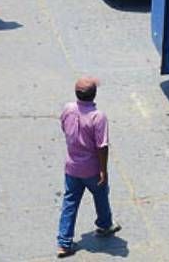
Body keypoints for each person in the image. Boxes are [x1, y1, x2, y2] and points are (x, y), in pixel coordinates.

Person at [56, 76, 120, 258]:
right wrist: (103, 169)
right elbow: (102, 146)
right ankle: (105, 224)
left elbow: (63, 128)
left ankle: (64, 243)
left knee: (70, 203)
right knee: (101, 195)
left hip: (72, 167)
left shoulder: (68, 109)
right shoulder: (98, 117)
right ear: (94, 95)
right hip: (91, 168)